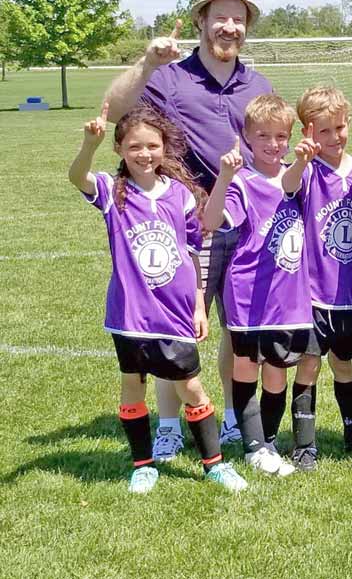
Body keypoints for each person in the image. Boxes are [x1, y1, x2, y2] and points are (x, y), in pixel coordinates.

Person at [104, 0, 271, 459]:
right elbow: (113, 109)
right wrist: (146, 62)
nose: (230, 27)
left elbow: (271, 148)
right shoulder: (170, 77)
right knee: (172, 328)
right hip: (184, 223)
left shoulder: (256, 84)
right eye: (220, 16)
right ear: (201, 20)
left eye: (239, 19)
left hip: (244, 228)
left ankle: (238, 418)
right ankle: (170, 426)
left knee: (238, 329)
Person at [68, 102, 247, 493]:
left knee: (192, 387)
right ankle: (143, 465)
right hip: (129, 314)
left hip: (175, 312)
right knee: (132, 384)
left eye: (152, 145)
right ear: (119, 150)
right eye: (134, 147)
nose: (144, 154)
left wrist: (199, 304)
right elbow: (76, 175)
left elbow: (195, 250)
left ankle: (214, 465)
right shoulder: (112, 193)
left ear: (164, 148)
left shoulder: (180, 195)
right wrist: (88, 144)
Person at [203, 94, 322, 476]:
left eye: (281, 136)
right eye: (263, 136)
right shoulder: (242, 182)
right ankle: (253, 445)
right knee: (245, 366)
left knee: (277, 371)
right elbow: (210, 219)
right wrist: (223, 176)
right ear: (246, 137)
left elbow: (288, 184)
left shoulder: (297, 174)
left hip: (288, 299)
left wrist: (301, 160)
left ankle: (267, 440)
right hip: (248, 296)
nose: (273, 144)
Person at [281, 86, 352, 458]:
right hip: (313, 292)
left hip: (349, 291)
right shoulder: (306, 171)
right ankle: (305, 445)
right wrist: (301, 161)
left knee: (344, 363)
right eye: (324, 131)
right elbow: (287, 187)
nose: (335, 137)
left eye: (340, 128)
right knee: (309, 365)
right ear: (307, 132)